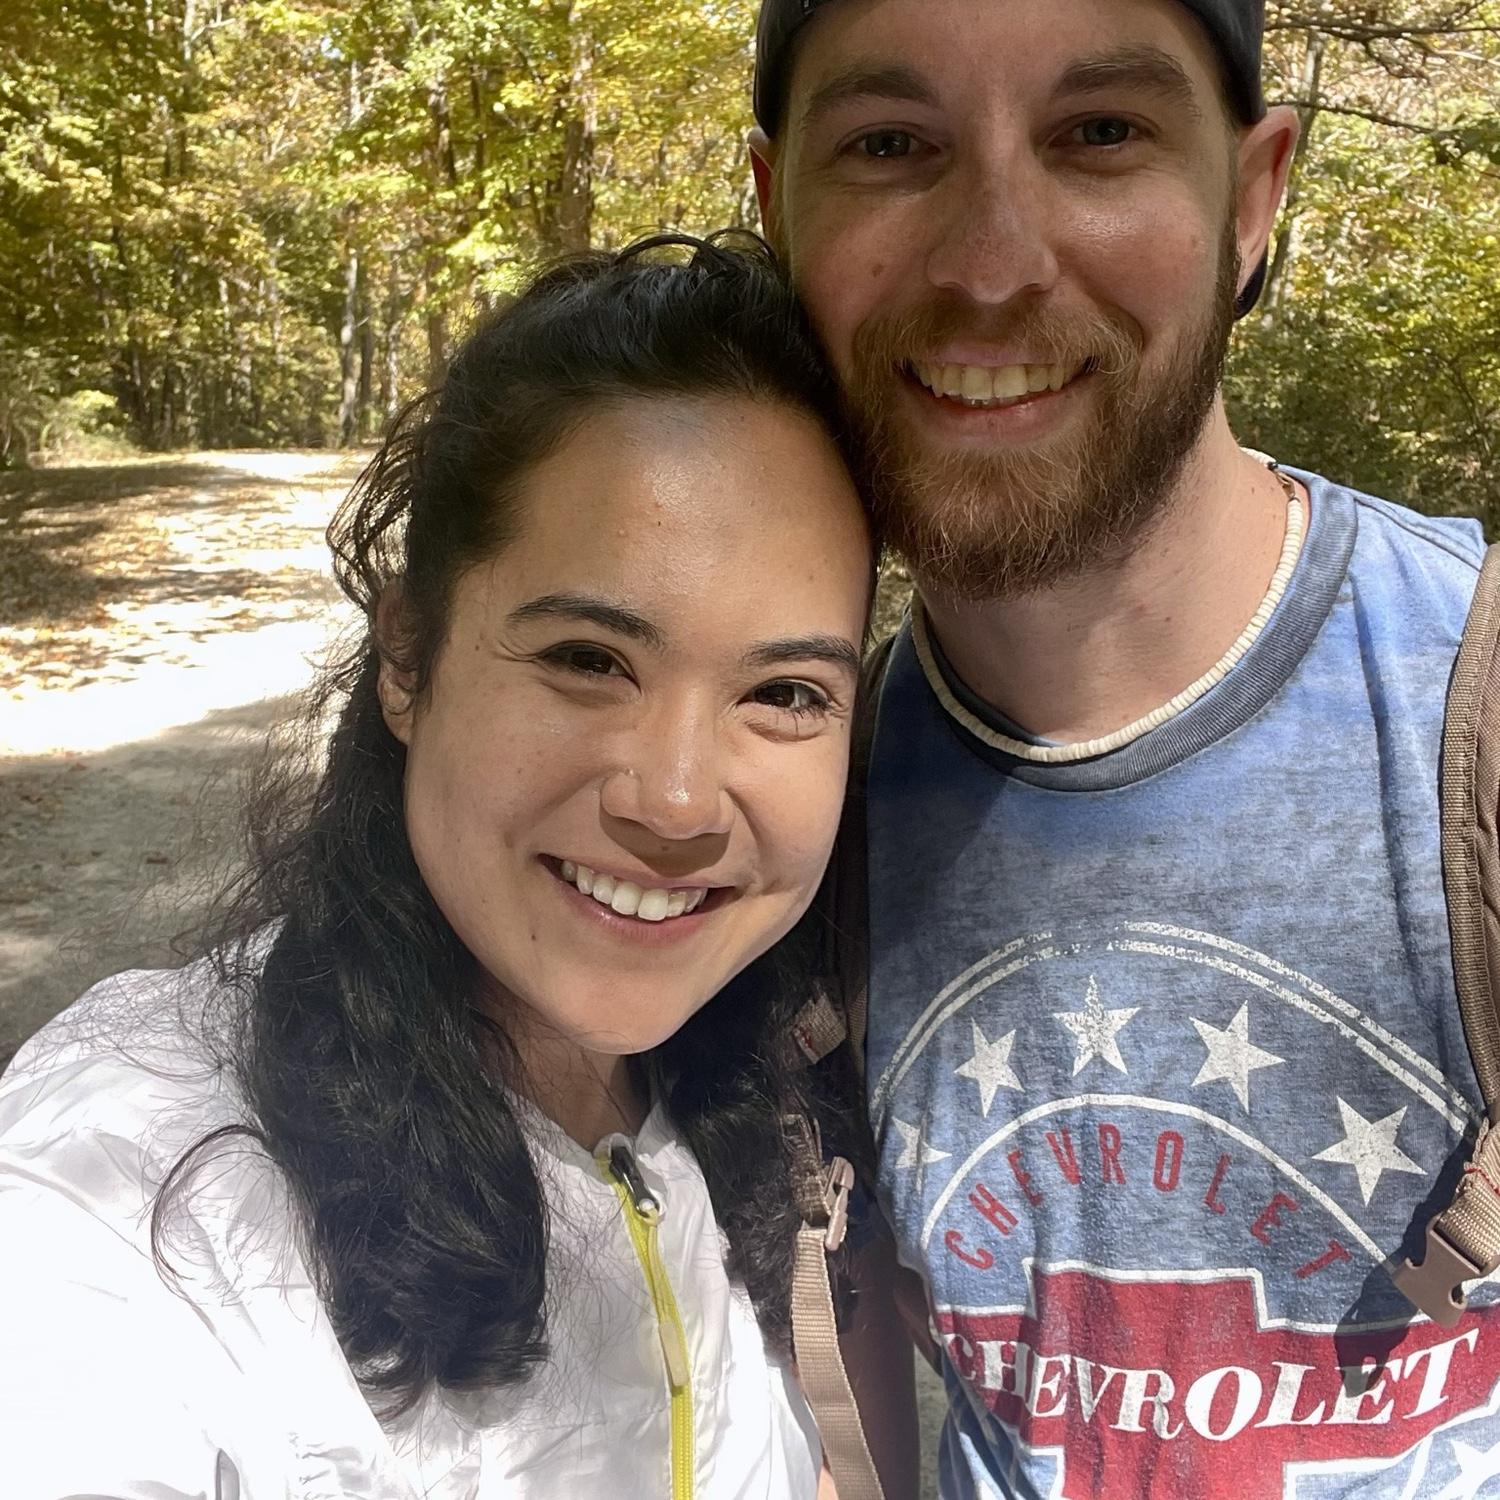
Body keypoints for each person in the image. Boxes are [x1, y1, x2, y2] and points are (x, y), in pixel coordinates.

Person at [750, 1, 1500, 1495]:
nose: (991, 265)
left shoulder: (1474, 710)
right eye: (893, 145)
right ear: (776, 211)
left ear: (1256, 196)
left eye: (1102, 133)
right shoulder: (775, 807)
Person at [0, 235, 878, 1499]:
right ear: (407, 658)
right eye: (588, 658)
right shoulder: (129, 1172)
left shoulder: (732, 1084)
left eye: (785, 691)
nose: (679, 801)